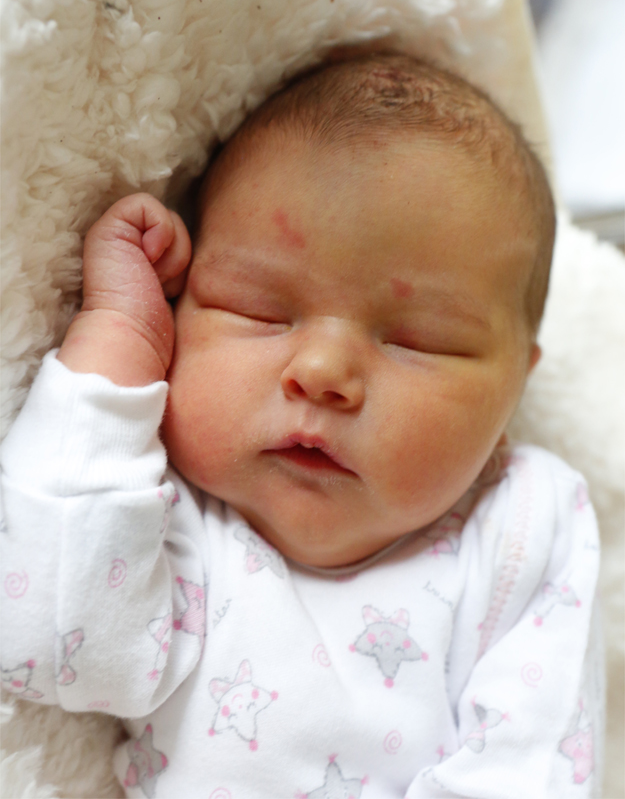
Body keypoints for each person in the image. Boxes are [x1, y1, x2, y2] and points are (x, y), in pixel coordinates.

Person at [0, 55, 603, 798]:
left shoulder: (523, 525)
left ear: (515, 386)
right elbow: (46, 638)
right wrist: (119, 338)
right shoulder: (160, 513)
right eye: (258, 310)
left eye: (417, 340)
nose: (320, 370)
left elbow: (530, 766)